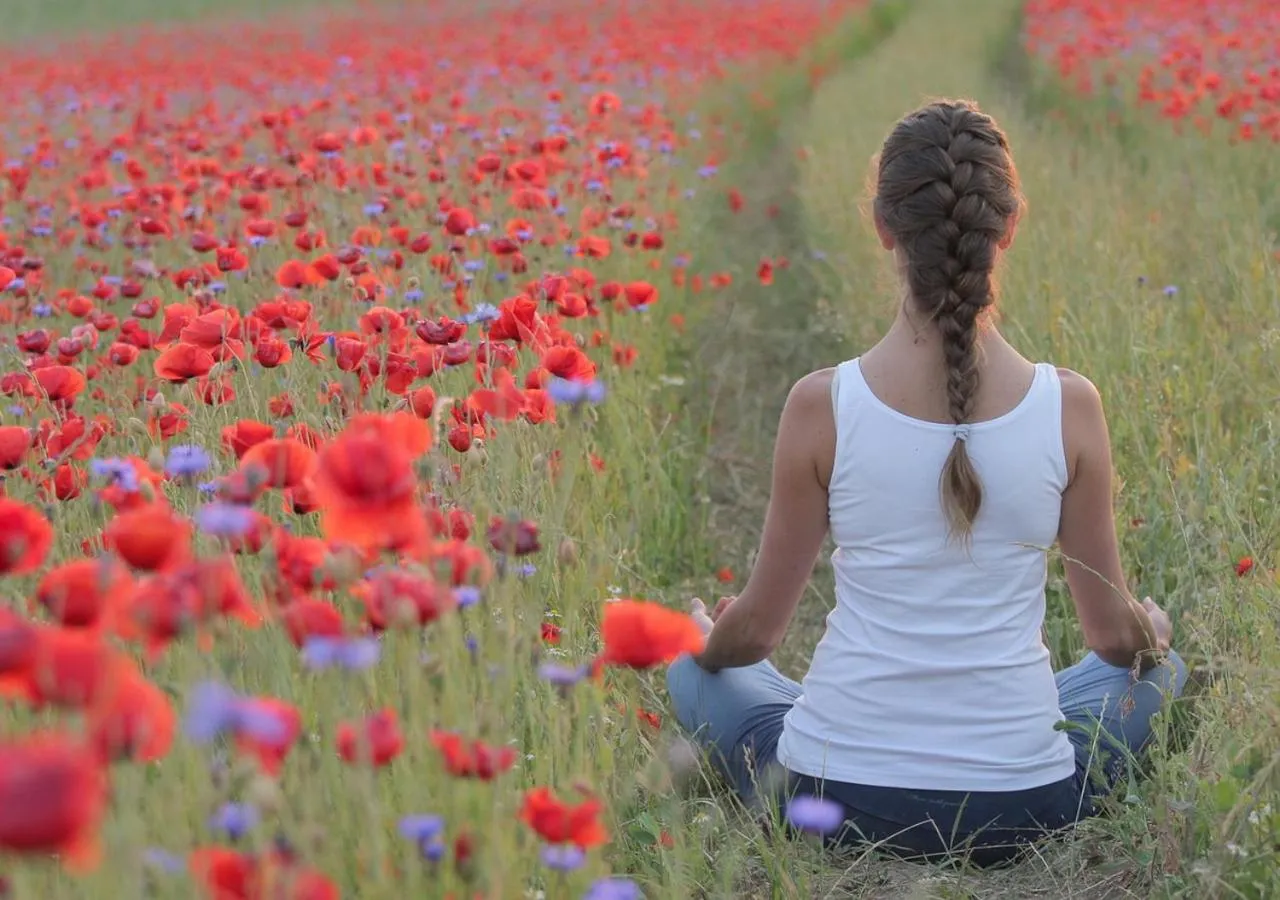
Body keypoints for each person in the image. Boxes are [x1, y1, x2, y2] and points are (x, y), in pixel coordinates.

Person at [665, 98, 1186, 868]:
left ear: (882, 227)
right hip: (1024, 806)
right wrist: (1152, 633)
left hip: (830, 795)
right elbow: (1112, 637)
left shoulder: (821, 405)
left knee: (691, 663)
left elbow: (758, 636)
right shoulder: (1069, 407)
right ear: (1007, 227)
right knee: (1158, 672)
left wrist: (706, 638)